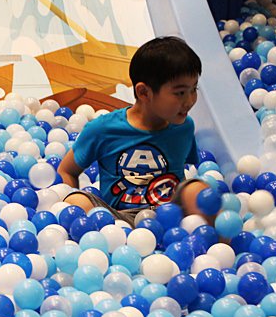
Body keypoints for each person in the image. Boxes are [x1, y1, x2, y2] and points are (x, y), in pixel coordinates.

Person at [57, 36, 210, 225]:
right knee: (76, 202)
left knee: (200, 191)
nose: (190, 101)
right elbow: (67, 170)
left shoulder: (184, 128)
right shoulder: (103, 129)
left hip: (171, 217)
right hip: (118, 220)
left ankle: (217, 249)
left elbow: (179, 174)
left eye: (194, 89)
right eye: (180, 93)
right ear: (144, 92)